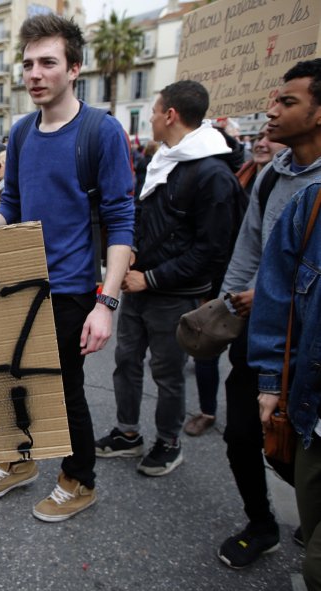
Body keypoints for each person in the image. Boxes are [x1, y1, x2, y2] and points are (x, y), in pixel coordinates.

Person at [0, 13, 134, 522]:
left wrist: (106, 303)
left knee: (63, 387)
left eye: (48, 63)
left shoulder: (100, 132)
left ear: (74, 68)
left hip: (72, 290)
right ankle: (20, 458)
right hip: (18, 284)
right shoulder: (22, 131)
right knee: (12, 377)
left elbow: (122, 221)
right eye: (29, 63)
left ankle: (79, 479)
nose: (35, 73)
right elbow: (12, 202)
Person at [93, 80, 242, 478]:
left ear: (170, 115)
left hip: (173, 297)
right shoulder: (164, 162)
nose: (153, 118)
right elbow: (146, 221)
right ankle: (127, 433)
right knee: (126, 362)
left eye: (156, 111)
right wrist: (133, 253)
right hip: (139, 286)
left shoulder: (213, 174)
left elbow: (211, 252)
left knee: (168, 373)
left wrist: (152, 278)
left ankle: (168, 441)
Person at [216, 58, 321, 570]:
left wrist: (279, 294)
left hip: (312, 349)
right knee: (241, 435)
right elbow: (249, 247)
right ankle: (262, 524)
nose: (271, 110)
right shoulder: (271, 176)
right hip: (259, 339)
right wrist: (232, 302)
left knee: (304, 448)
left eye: (288, 101)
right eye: (274, 100)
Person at [186, 124, 286, 438]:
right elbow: (241, 242)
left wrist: (264, 293)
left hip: (270, 298)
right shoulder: (247, 177)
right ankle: (207, 410)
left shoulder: (285, 182)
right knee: (209, 348)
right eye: (258, 138)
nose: (262, 143)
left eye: (271, 139)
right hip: (229, 280)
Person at [249, 180, 321, 589]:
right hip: (313, 418)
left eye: (287, 106)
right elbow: (275, 297)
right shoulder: (311, 203)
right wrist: (272, 383)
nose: (273, 110)